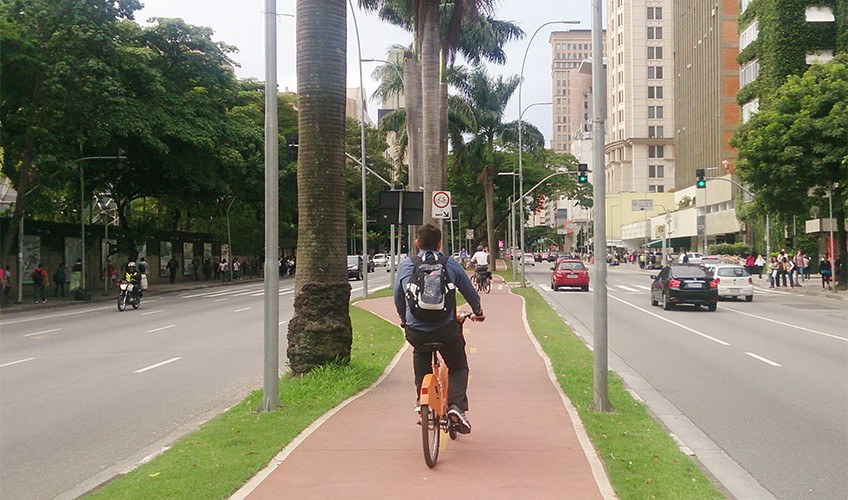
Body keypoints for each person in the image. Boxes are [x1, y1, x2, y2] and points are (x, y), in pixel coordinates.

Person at [395, 223, 484, 434]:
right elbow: (470, 292)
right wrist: (478, 311)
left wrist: (404, 319)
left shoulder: (407, 265)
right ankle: (456, 406)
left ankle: (421, 401)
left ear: (417, 244)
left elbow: (399, 298)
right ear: (440, 244)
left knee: (420, 353)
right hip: (446, 329)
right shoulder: (450, 264)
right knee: (458, 366)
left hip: (416, 330)